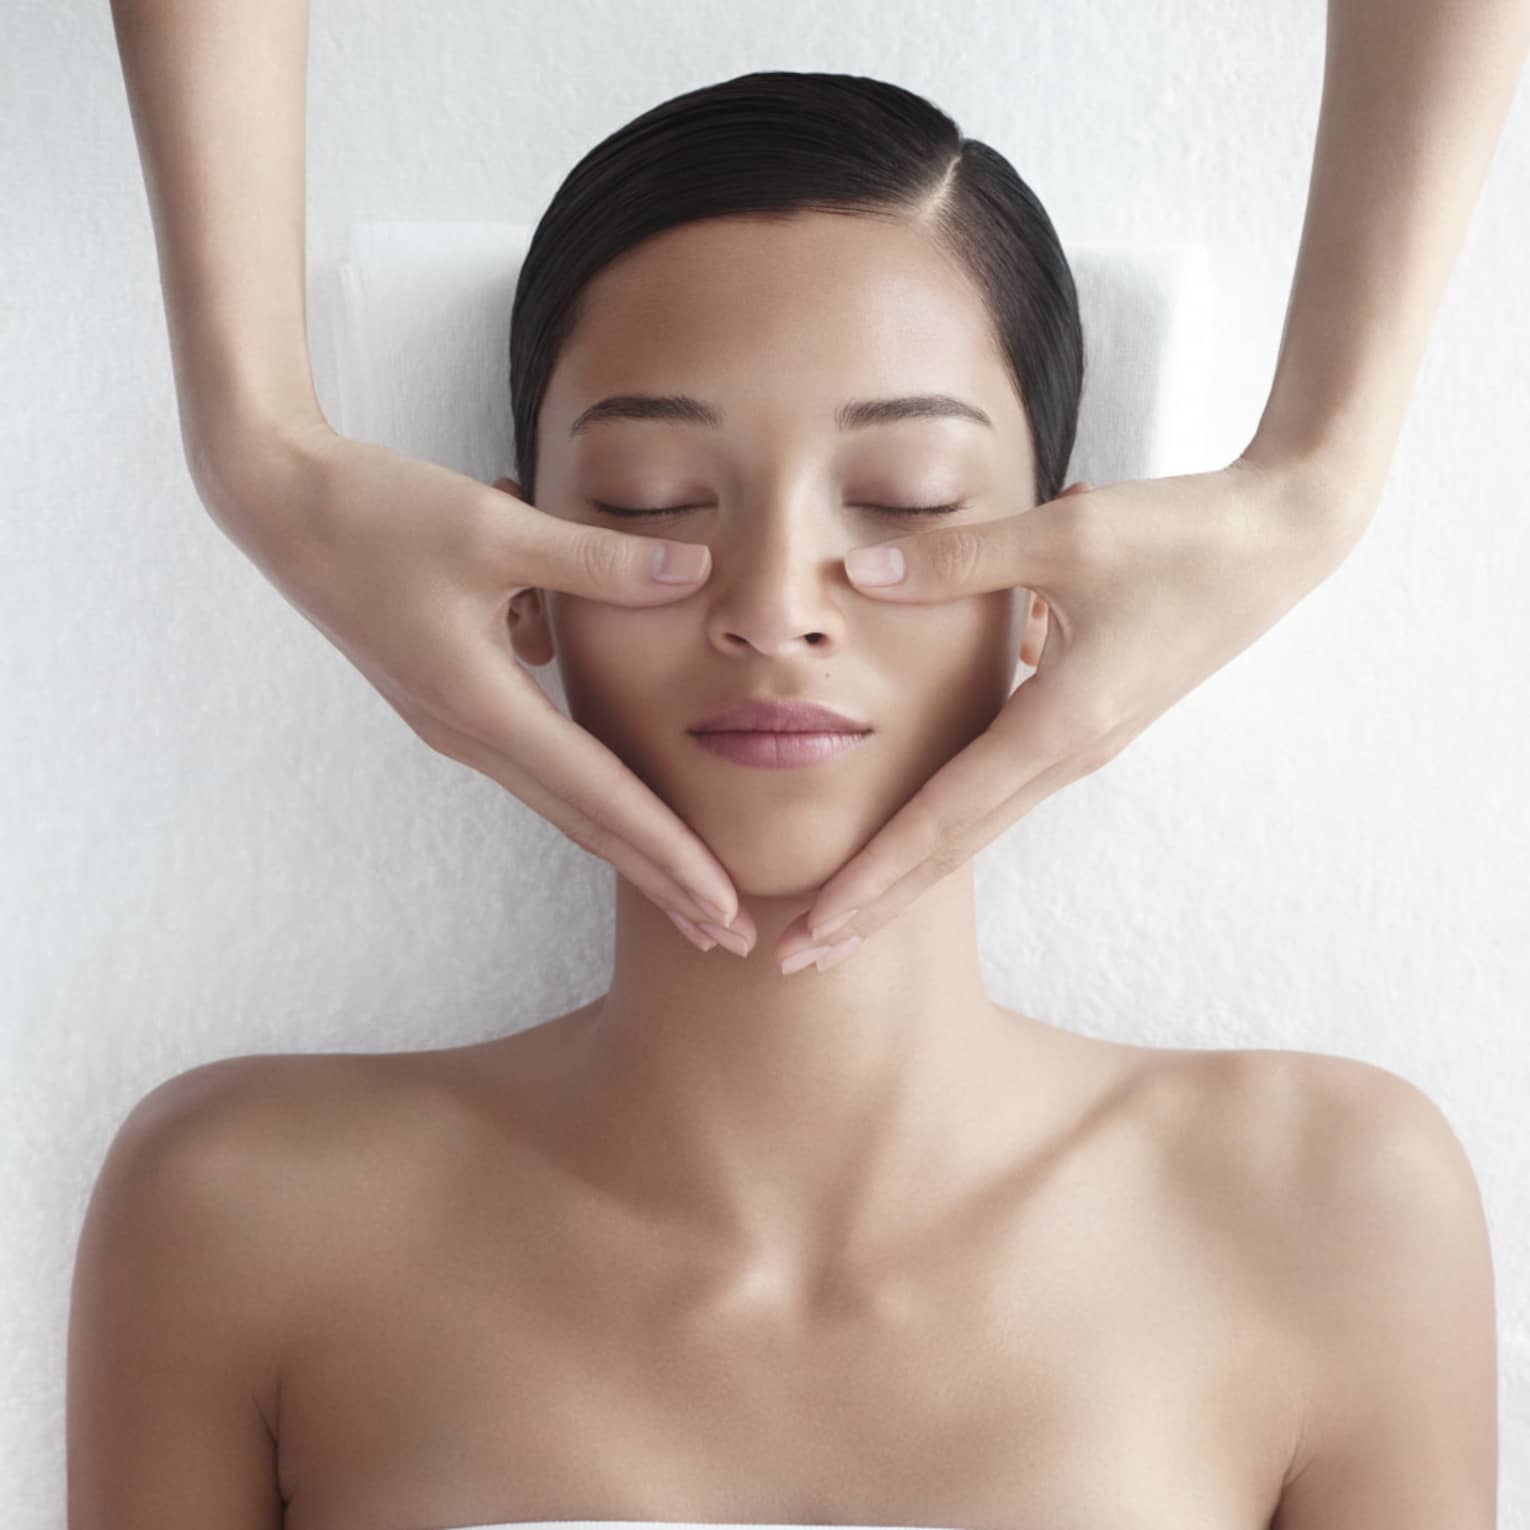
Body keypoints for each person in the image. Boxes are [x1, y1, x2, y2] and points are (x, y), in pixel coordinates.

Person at [69, 5, 1522, 1528]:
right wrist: (253, 445)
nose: (772, 607)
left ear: (1053, 589)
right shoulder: (242, 1208)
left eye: (907, 499)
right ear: (516, 579)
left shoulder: (1328, 1208)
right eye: (651, 500)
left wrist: (1319, 478)